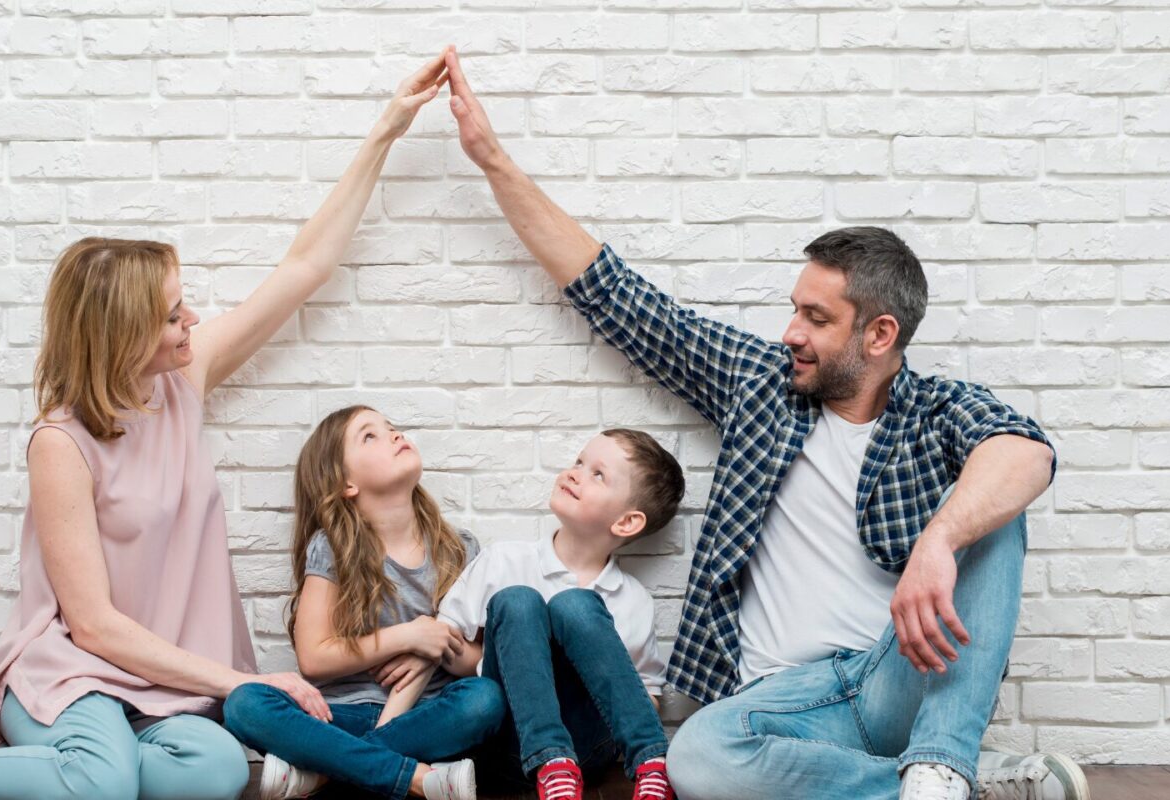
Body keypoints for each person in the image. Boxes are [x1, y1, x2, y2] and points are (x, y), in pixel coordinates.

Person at [0, 51, 455, 800]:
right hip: (78, 675)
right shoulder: (60, 444)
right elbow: (94, 627)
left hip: (169, 686)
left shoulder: (183, 380)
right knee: (103, 783)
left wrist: (386, 131)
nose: (191, 319)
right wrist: (244, 678)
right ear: (123, 335)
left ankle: (49, 774)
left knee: (216, 770)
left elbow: (305, 268)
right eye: (172, 313)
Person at [438, 47, 1090, 800]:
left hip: (895, 676)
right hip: (782, 705)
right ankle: (955, 787)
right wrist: (492, 161)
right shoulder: (761, 385)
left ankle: (943, 760)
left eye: (816, 318)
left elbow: (1027, 454)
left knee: (995, 509)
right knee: (698, 760)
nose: (791, 332)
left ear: (879, 336)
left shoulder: (937, 412)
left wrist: (941, 539)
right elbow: (618, 297)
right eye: (794, 309)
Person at [221, 405, 505, 800]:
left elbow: (478, 662)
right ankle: (416, 779)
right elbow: (314, 659)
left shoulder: (460, 548)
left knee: (485, 700)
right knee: (244, 703)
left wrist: (435, 646)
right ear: (346, 484)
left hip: (428, 714)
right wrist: (410, 634)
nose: (394, 434)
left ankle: (327, 775)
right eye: (369, 435)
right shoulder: (332, 548)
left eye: (391, 427)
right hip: (339, 716)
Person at [434, 430, 683, 800]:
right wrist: (510, 656)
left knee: (575, 605)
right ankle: (551, 762)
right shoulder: (505, 560)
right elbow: (445, 642)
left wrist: (595, 671)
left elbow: (647, 694)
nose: (574, 472)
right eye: (579, 462)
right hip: (507, 746)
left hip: (587, 749)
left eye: (598, 474)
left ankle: (651, 761)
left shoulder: (632, 600)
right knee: (518, 601)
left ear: (627, 523)